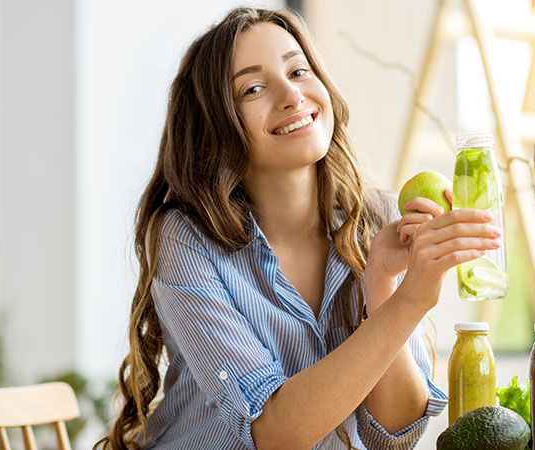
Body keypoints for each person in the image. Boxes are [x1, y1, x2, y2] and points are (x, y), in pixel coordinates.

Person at [95, 7, 502, 450]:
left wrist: (383, 287)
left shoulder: (377, 218)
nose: (292, 95)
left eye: (298, 70)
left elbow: (394, 433)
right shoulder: (186, 241)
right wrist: (410, 302)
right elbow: (272, 434)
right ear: (214, 124)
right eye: (253, 88)